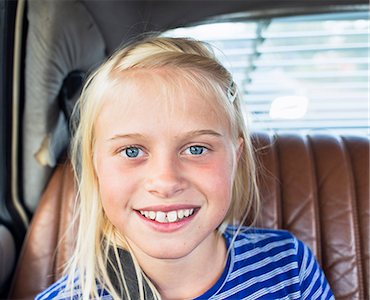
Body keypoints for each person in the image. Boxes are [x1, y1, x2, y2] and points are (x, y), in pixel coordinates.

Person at [36, 36, 333, 300]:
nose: (165, 181)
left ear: (235, 157)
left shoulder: (289, 267)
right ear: (95, 165)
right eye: (131, 151)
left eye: (196, 149)